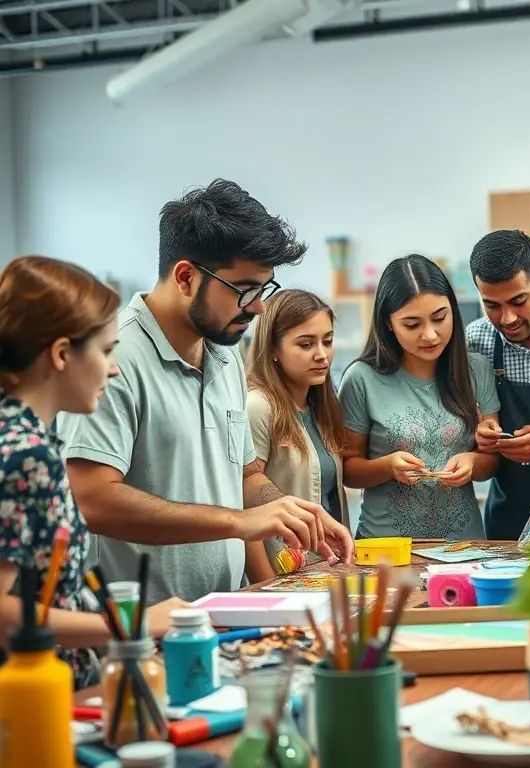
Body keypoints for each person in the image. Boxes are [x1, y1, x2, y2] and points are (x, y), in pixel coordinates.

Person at [58, 179, 353, 604]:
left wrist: (285, 509)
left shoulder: (225, 352)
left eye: (263, 289)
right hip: (138, 629)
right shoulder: (113, 359)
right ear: (185, 277)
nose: (258, 307)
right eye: (244, 290)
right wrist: (238, 522)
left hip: (218, 613)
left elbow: (245, 474)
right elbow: (92, 499)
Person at [0, 256, 187, 689]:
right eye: (105, 352)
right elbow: (7, 615)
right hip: (37, 692)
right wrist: (130, 624)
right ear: (62, 354)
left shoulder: (31, 438)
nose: (114, 367)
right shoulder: (25, 455)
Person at [341, 254, 500, 540]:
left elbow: (492, 459)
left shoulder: (476, 369)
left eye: (440, 318)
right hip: (386, 550)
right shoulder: (361, 378)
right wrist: (387, 466)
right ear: (388, 324)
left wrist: (472, 462)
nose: (430, 335)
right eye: (412, 325)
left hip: (463, 548)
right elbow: (348, 469)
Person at [466, 230, 530, 540]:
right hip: (506, 522)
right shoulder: (476, 341)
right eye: (492, 305)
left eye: (518, 301)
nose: (507, 318)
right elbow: (468, 421)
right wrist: (480, 434)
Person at [246, 289, 349, 574]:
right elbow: (246, 511)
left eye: (327, 341)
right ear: (273, 350)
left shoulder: (321, 405)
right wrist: (266, 589)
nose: (322, 355)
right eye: (306, 345)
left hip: (325, 570)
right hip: (283, 573)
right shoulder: (258, 407)